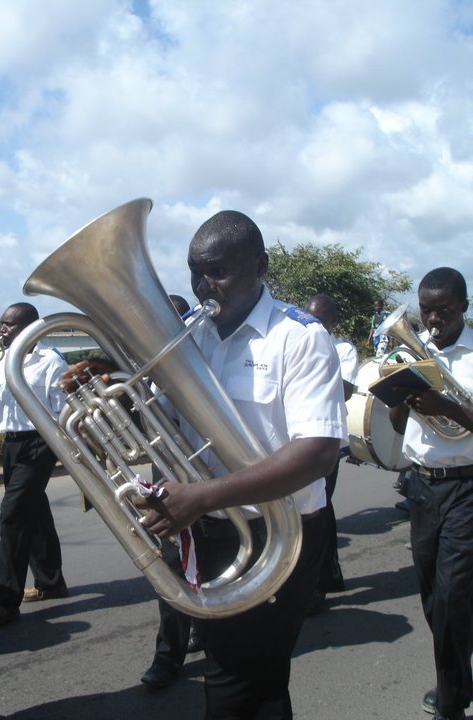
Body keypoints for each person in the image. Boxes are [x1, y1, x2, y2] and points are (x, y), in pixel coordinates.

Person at [135, 210, 347, 720]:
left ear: (260, 266)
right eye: (194, 271)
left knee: (232, 682)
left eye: (218, 272)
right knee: (259, 682)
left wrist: (203, 496)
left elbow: (318, 452)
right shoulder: (186, 334)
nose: (204, 285)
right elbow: (163, 426)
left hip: (284, 535)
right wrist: (116, 402)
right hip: (208, 529)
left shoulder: (300, 337)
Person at [389, 267, 473, 720]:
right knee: (430, 593)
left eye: (443, 309)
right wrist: (401, 393)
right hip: (421, 486)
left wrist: (448, 407)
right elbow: (398, 426)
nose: (433, 319)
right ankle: (457, 678)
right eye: (426, 310)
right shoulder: (412, 354)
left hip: (466, 485)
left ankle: (451, 699)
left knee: (453, 596)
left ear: (464, 305)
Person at [0, 303, 69, 629]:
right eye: (1, 324)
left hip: (39, 442)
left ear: (28, 327)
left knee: (13, 514)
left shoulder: (50, 361)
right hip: (11, 444)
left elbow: (62, 410)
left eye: (8, 325)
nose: (1, 330)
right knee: (34, 510)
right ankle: (51, 582)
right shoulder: (0, 361)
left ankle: (4, 601)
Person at [140, 293, 204, 689]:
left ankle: (212, 634)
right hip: (166, 478)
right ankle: (169, 657)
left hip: (211, 480)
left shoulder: (200, 364)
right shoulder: (145, 369)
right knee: (172, 567)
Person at [305, 293, 358, 612]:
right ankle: (330, 573)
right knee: (320, 507)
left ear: (333, 322)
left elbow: (347, 390)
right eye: (311, 319)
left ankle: (316, 586)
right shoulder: (301, 342)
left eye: (321, 320)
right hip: (299, 441)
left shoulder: (343, 349)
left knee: (317, 509)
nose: (316, 326)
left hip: (327, 442)